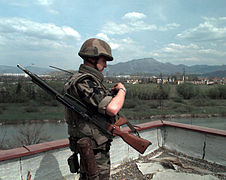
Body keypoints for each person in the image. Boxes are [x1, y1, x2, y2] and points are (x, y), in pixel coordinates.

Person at [64, 38, 126, 180]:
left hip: (91, 145)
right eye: (104, 61)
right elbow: (112, 109)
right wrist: (122, 90)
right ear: (93, 59)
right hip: (94, 148)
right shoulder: (85, 81)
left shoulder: (81, 80)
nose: (105, 65)